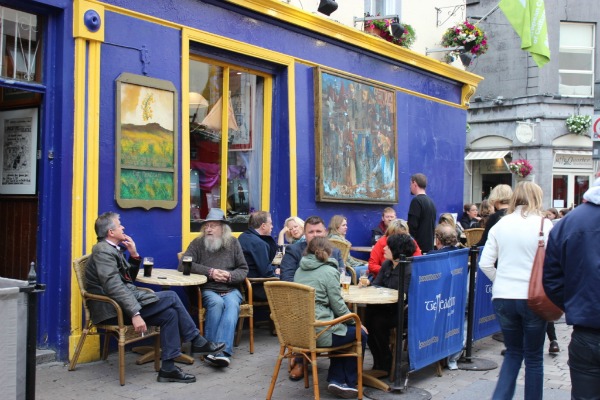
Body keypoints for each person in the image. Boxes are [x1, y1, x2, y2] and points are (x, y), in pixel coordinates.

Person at [86, 212, 225, 383]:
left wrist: (134, 255)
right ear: (110, 232)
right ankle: (197, 340)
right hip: (112, 310)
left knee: (170, 315)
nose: (123, 227)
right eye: (119, 224)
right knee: (172, 297)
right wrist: (136, 314)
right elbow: (113, 286)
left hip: (123, 304)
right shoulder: (102, 251)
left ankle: (168, 369)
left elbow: (127, 279)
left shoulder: (112, 249)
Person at [479, 181, 551, 400]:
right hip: (533, 297)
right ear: (536, 198)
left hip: (504, 296)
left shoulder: (501, 224)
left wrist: (500, 280)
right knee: (534, 357)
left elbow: (485, 263)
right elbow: (554, 263)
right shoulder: (544, 225)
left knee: (513, 353)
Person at [543, 174, 600, 399]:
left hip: (587, 330)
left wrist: (574, 303)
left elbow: (551, 278)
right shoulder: (571, 222)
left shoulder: (571, 221)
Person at [294, 237, 367, 399]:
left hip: (301, 331)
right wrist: (357, 323)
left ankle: (337, 379)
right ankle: (348, 382)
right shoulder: (329, 271)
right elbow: (338, 306)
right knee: (358, 333)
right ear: (328, 252)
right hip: (320, 331)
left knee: (345, 331)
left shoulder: (299, 270)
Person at [179, 208, 249, 368]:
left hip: (231, 288)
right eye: (207, 226)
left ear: (223, 228)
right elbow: (182, 265)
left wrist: (229, 276)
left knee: (231, 305)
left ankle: (222, 353)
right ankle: (210, 349)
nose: (208, 229)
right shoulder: (197, 243)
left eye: (213, 226)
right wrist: (210, 272)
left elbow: (243, 269)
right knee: (216, 303)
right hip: (208, 289)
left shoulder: (233, 243)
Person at [279, 215, 345, 380]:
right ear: (305, 234)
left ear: (325, 233)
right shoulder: (295, 251)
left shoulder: (334, 251)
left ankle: (337, 364)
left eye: (318, 231)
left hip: (329, 300)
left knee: (342, 314)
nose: (315, 235)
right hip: (300, 304)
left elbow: (342, 274)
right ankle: (301, 359)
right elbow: (286, 281)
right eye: (311, 232)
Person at [365, 233, 415, 374]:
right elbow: (376, 284)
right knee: (365, 320)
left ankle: (386, 360)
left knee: (377, 322)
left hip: (402, 311)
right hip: (384, 307)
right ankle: (378, 359)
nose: (384, 248)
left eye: (389, 246)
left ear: (397, 250)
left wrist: (382, 292)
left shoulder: (408, 269)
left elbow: (402, 296)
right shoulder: (387, 264)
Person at [238, 211, 279, 300]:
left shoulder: (243, 236)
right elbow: (266, 273)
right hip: (256, 287)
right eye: (270, 223)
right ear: (263, 226)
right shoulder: (259, 243)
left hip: (244, 285)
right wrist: (279, 275)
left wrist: (275, 269)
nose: (272, 226)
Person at [408, 173, 437, 252]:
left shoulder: (416, 201)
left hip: (418, 248)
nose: (410, 186)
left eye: (410, 183)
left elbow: (412, 227)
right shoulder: (431, 202)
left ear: (414, 183)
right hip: (429, 247)